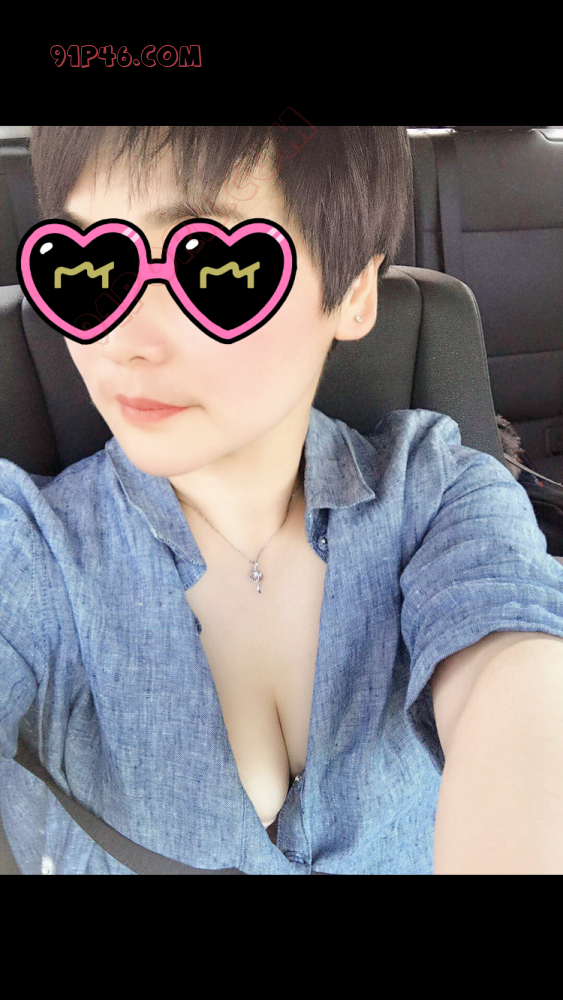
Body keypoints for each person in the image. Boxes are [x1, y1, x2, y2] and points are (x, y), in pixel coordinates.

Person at [3, 126, 562, 875]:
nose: (122, 339)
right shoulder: (32, 546)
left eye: (215, 270)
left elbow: (517, 676)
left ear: (353, 293)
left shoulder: (437, 494)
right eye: (87, 268)